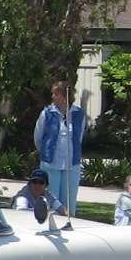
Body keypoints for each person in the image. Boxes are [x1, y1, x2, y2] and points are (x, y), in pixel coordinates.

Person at [33, 79, 86, 221]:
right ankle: (51, 225)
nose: (53, 97)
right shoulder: (46, 113)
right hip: (51, 163)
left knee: (69, 200)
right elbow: (38, 137)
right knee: (51, 198)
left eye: (56, 94)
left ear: (64, 96)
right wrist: (46, 151)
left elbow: (79, 137)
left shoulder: (79, 114)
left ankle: (69, 225)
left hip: (71, 164)